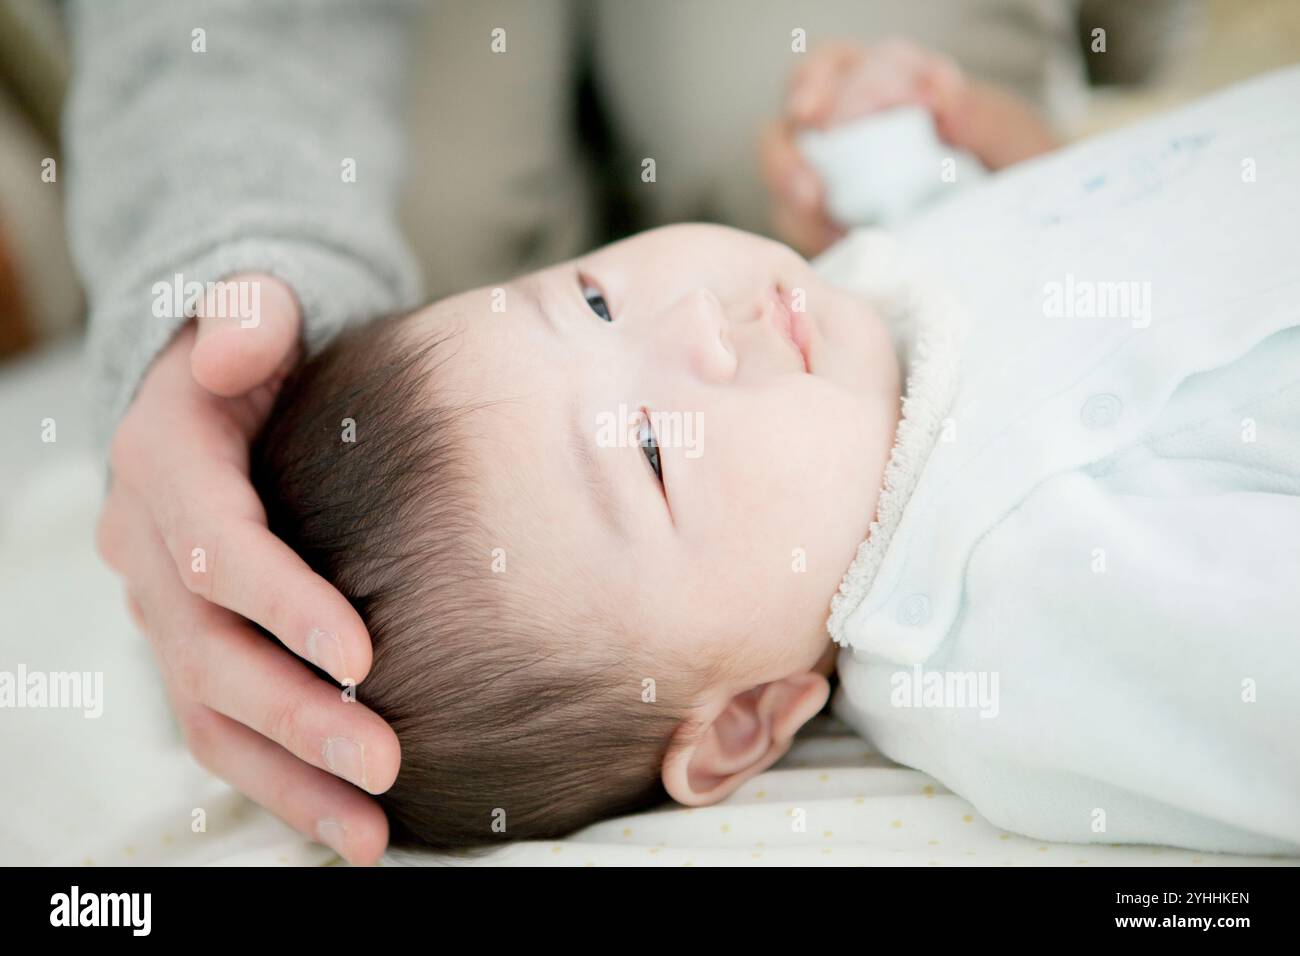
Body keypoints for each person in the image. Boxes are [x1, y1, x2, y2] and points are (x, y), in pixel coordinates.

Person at [69, 0, 1194, 863]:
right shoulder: (1035, 616)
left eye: (593, 296)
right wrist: (211, 259)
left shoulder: (875, 272)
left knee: (772, 87)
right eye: (653, 455)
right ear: (744, 723)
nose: (697, 318)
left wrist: (928, 162)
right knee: (422, 226)